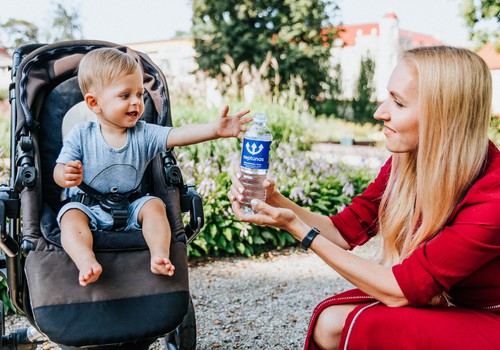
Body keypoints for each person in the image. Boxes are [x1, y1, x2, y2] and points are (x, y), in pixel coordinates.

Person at [229, 45, 500, 349]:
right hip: (453, 307)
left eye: (397, 103)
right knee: (330, 321)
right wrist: (272, 200)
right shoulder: (406, 162)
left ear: (444, 115)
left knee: (346, 325)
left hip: (490, 320)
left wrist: (300, 231)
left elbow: (400, 290)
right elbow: (343, 231)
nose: (379, 112)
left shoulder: (494, 194)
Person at [54, 47, 251, 287]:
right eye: (125, 95)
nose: (136, 102)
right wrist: (66, 175)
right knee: (70, 217)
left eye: (139, 94)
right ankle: (86, 261)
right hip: (89, 208)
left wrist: (215, 130)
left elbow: (178, 134)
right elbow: (59, 170)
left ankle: (159, 255)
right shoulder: (81, 135)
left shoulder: (144, 133)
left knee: (155, 205)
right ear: (94, 103)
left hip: (130, 206)